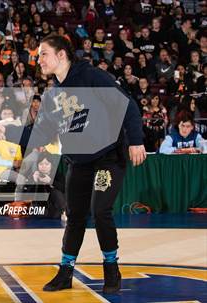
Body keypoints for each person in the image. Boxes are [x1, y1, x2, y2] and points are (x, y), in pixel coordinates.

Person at [33, 34, 146, 294]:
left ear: (61, 55)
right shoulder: (53, 94)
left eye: (43, 54)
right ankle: (65, 272)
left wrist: (136, 141)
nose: (39, 60)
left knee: (101, 210)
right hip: (79, 162)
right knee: (74, 216)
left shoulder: (93, 76)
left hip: (108, 157)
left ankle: (111, 268)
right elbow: (43, 131)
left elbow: (127, 105)